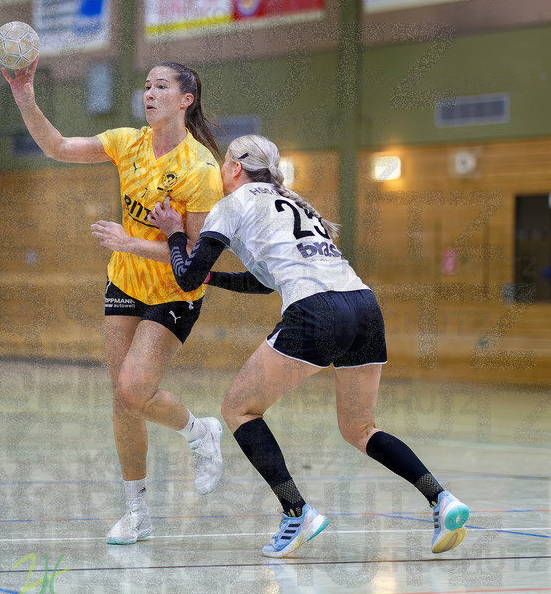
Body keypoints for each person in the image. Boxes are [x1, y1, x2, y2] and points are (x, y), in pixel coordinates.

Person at [148, 134, 471, 557]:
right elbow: (263, 283)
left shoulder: (232, 206)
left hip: (317, 312)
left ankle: (296, 513)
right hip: (363, 306)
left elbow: (186, 277)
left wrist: (174, 233)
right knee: (360, 428)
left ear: (234, 169)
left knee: (238, 409)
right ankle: (440, 497)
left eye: (224, 162)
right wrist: (215, 277)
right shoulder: (295, 202)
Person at [3, 60, 226, 545]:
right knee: (124, 400)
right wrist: (26, 99)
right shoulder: (129, 142)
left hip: (174, 291)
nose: (149, 94)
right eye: (145, 85)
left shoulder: (201, 169)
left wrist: (132, 243)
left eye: (161, 87)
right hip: (125, 284)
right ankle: (137, 512)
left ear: (186, 100)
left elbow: (194, 259)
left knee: (133, 389)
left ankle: (199, 431)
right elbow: (59, 147)